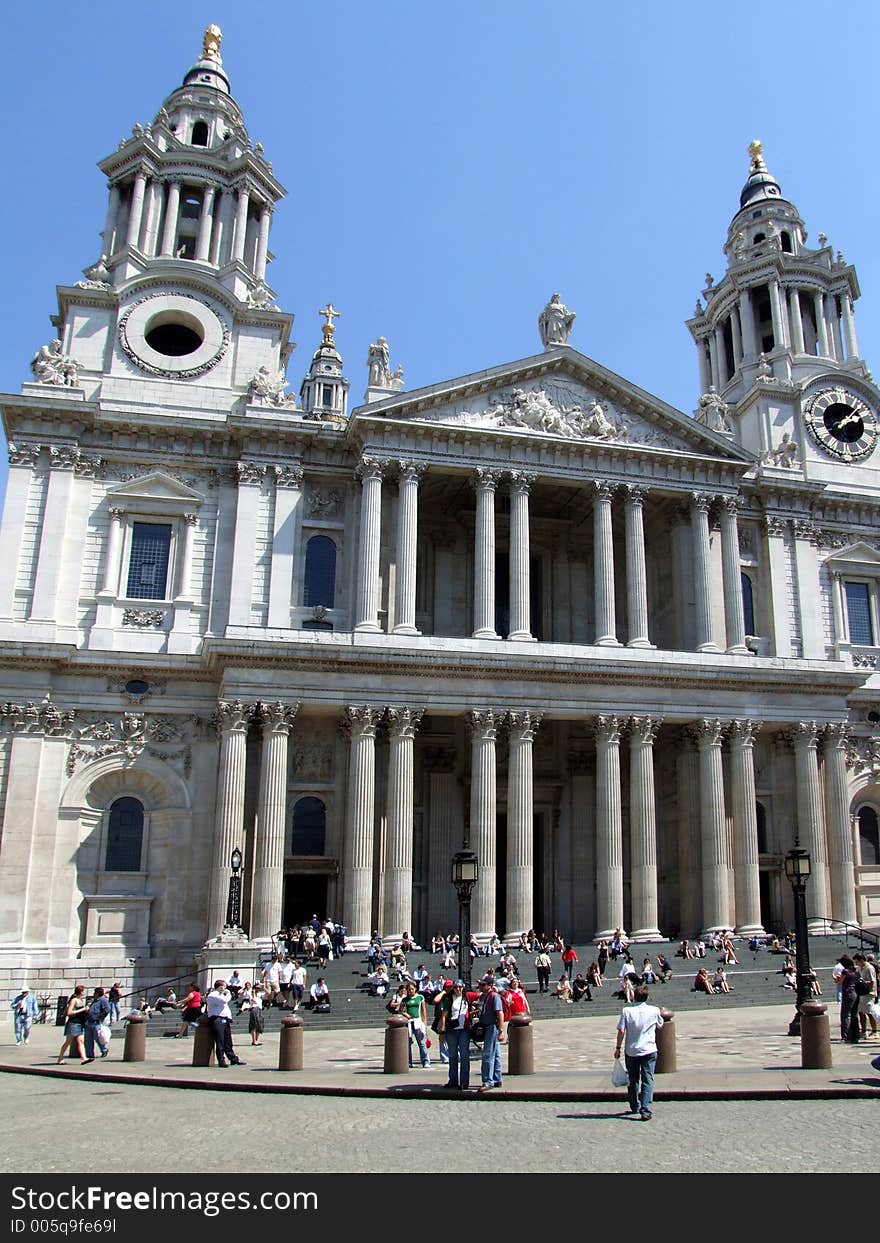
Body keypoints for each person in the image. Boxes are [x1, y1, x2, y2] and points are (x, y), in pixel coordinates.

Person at [614, 985, 665, 1121]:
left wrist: (618, 1047)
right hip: (649, 1049)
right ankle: (646, 1110)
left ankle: (634, 1105)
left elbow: (621, 1031)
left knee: (633, 1079)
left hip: (632, 1050)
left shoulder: (627, 1011)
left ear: (634, 996)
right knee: (648, 1079)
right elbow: (660, 1025)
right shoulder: (654, 1010)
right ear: (647, 997)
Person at [205, 980, 245, 1067]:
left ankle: (233, 1058)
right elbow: (224, 1001)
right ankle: (221, 1060)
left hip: (225, 1019)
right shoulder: (213, 995)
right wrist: (228, 994)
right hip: (217, 1019)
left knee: (228, 1041)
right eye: (223, 986)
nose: (225, 988)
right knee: (220, 1041)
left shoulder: (221, 995)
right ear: (219, 987)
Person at [441, 979, 471, 1089]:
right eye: (456, 987)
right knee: (452, 1056)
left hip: (464, 1029)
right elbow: (444, 1014)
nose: (458, 989)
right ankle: (453, 1080)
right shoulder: (448, 998)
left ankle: (464, 1082)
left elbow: (480, 995)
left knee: (464, 1056)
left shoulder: (466, 997)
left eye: (460, 987)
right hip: (451, 1030)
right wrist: (443, 1030)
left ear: (463, 987)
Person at [477, 974, 505, 1091]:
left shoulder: (494, 996)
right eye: (480, 984)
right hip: (487, 1025)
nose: (480, 986)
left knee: (488, 1054)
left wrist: (501, 1031)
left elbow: (500, 1014)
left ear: (490, 986)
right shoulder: (485, 996)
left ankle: (488, 1081)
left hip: (491, 1027)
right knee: (496, 1054)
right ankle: (497, 1078)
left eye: (483, 985)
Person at [57, 985, 89, 1064]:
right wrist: (83, 1009)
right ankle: (60, 1058)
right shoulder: (74, 1000)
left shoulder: (80, 1000)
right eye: (83, 991)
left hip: (80, 1023)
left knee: (81, 1041)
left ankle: (84, 1058)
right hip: (73, 1023)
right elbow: (69, 1012)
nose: (84, 992)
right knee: (68, 1042)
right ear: (80, 991)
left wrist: (86, 1011)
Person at [402, 981, 431, 1068]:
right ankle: (408, 1062)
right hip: (408, 1023)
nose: (410, 991)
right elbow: (400, 1010)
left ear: (415, 989)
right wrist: (406, 1015)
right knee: (408, 1043)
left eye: (412, 989)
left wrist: (424, 1023)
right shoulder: (405, 999)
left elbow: (423, 1010)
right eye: (409, 989)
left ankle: (425, 1061)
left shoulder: (420, 997)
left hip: (418, 1022)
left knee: (421, 1042)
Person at [853, 953, 878, 1039]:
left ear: (862, 960)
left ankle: (874, 1031)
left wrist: (864, 985)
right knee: (861, 1012)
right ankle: (863, 1031)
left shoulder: (869, 968)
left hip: (869, 993)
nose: (856, 964)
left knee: (869, 1012)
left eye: (857, 962)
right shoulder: (860, 968)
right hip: (862, 993)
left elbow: (872, 981)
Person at [83, 987, 111, 1062]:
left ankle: (104, 1050)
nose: (93, 994)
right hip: (89, 1022)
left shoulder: (103, 1000)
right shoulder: (94, 1000)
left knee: (98, 1037)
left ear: (97, 993)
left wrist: (100, 1017)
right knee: (88, 1039)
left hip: (96, 1022)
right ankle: (89, 1054)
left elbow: (107, 1010)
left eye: (94, 993)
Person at [838, 955, 860, 1043]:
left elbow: (840, 982)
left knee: (845, 1015)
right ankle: (856, 1035)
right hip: (855, 993)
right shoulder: (855, 970)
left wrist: (836, 979)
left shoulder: (845, 971)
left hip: (848, 993)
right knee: (854, 1015)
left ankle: (846, 1036)